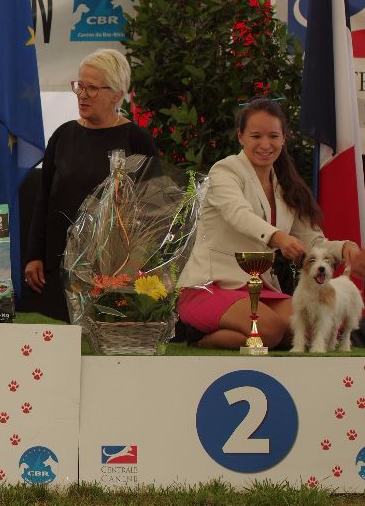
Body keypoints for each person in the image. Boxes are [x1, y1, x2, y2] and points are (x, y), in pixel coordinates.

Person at [178, 99, 359, 349]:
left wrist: (346, 249)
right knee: (271, 330)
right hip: (210, 286)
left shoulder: (286, 185)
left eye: (273, 136)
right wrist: (279, 238)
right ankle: (196, 338)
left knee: (307, 328)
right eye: (256, 136)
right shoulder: (224, 170)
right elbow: (238, 214)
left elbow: (313, 241)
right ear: (241, 136)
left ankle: (239, 332)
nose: (265, 144)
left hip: (258, 288)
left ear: (284, 138)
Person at [23, 48, 158, 322]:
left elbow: (151, 211)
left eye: (92, 88)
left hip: (114, 273)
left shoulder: (138, 141)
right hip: (57, 270)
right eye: (79, 86)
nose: (82, 94)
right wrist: (34, 256)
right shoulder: (62, 135)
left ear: (117, 95)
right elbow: (44, 199)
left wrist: (133, 268)